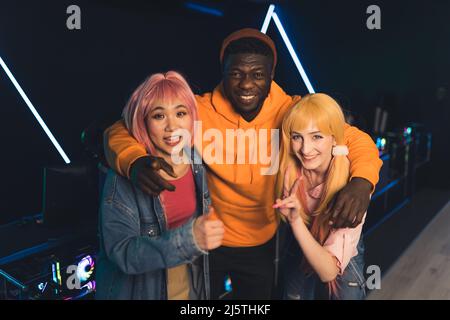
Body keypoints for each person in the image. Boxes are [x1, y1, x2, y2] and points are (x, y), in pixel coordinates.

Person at [103, 28, 382, 299]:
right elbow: (121, 129)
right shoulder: (197, 112)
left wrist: (362, 182)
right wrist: (134, 160)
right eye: (236, 74)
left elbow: (354, 139)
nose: (246, 84)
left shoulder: (289, 111)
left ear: (271, 75)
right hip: (209, 241)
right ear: (223, 72)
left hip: (263, 242)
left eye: (258, 75)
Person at [96, 71, 224, 300]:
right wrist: (189, 240)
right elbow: (122, 252)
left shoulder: (198, 162)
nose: (172, 126)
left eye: (180, 113)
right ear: (143, 122)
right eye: (158, 116)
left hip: (191, 291)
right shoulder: (123, 178)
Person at [274, 93, 367, 300]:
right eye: (297, 137)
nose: (305, 150)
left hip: (342, 251)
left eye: (317, 136)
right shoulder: (289, 169)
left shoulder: (351, 191)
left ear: (335, 137)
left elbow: (329, 272)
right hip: (302, 237)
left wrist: (295, 221)